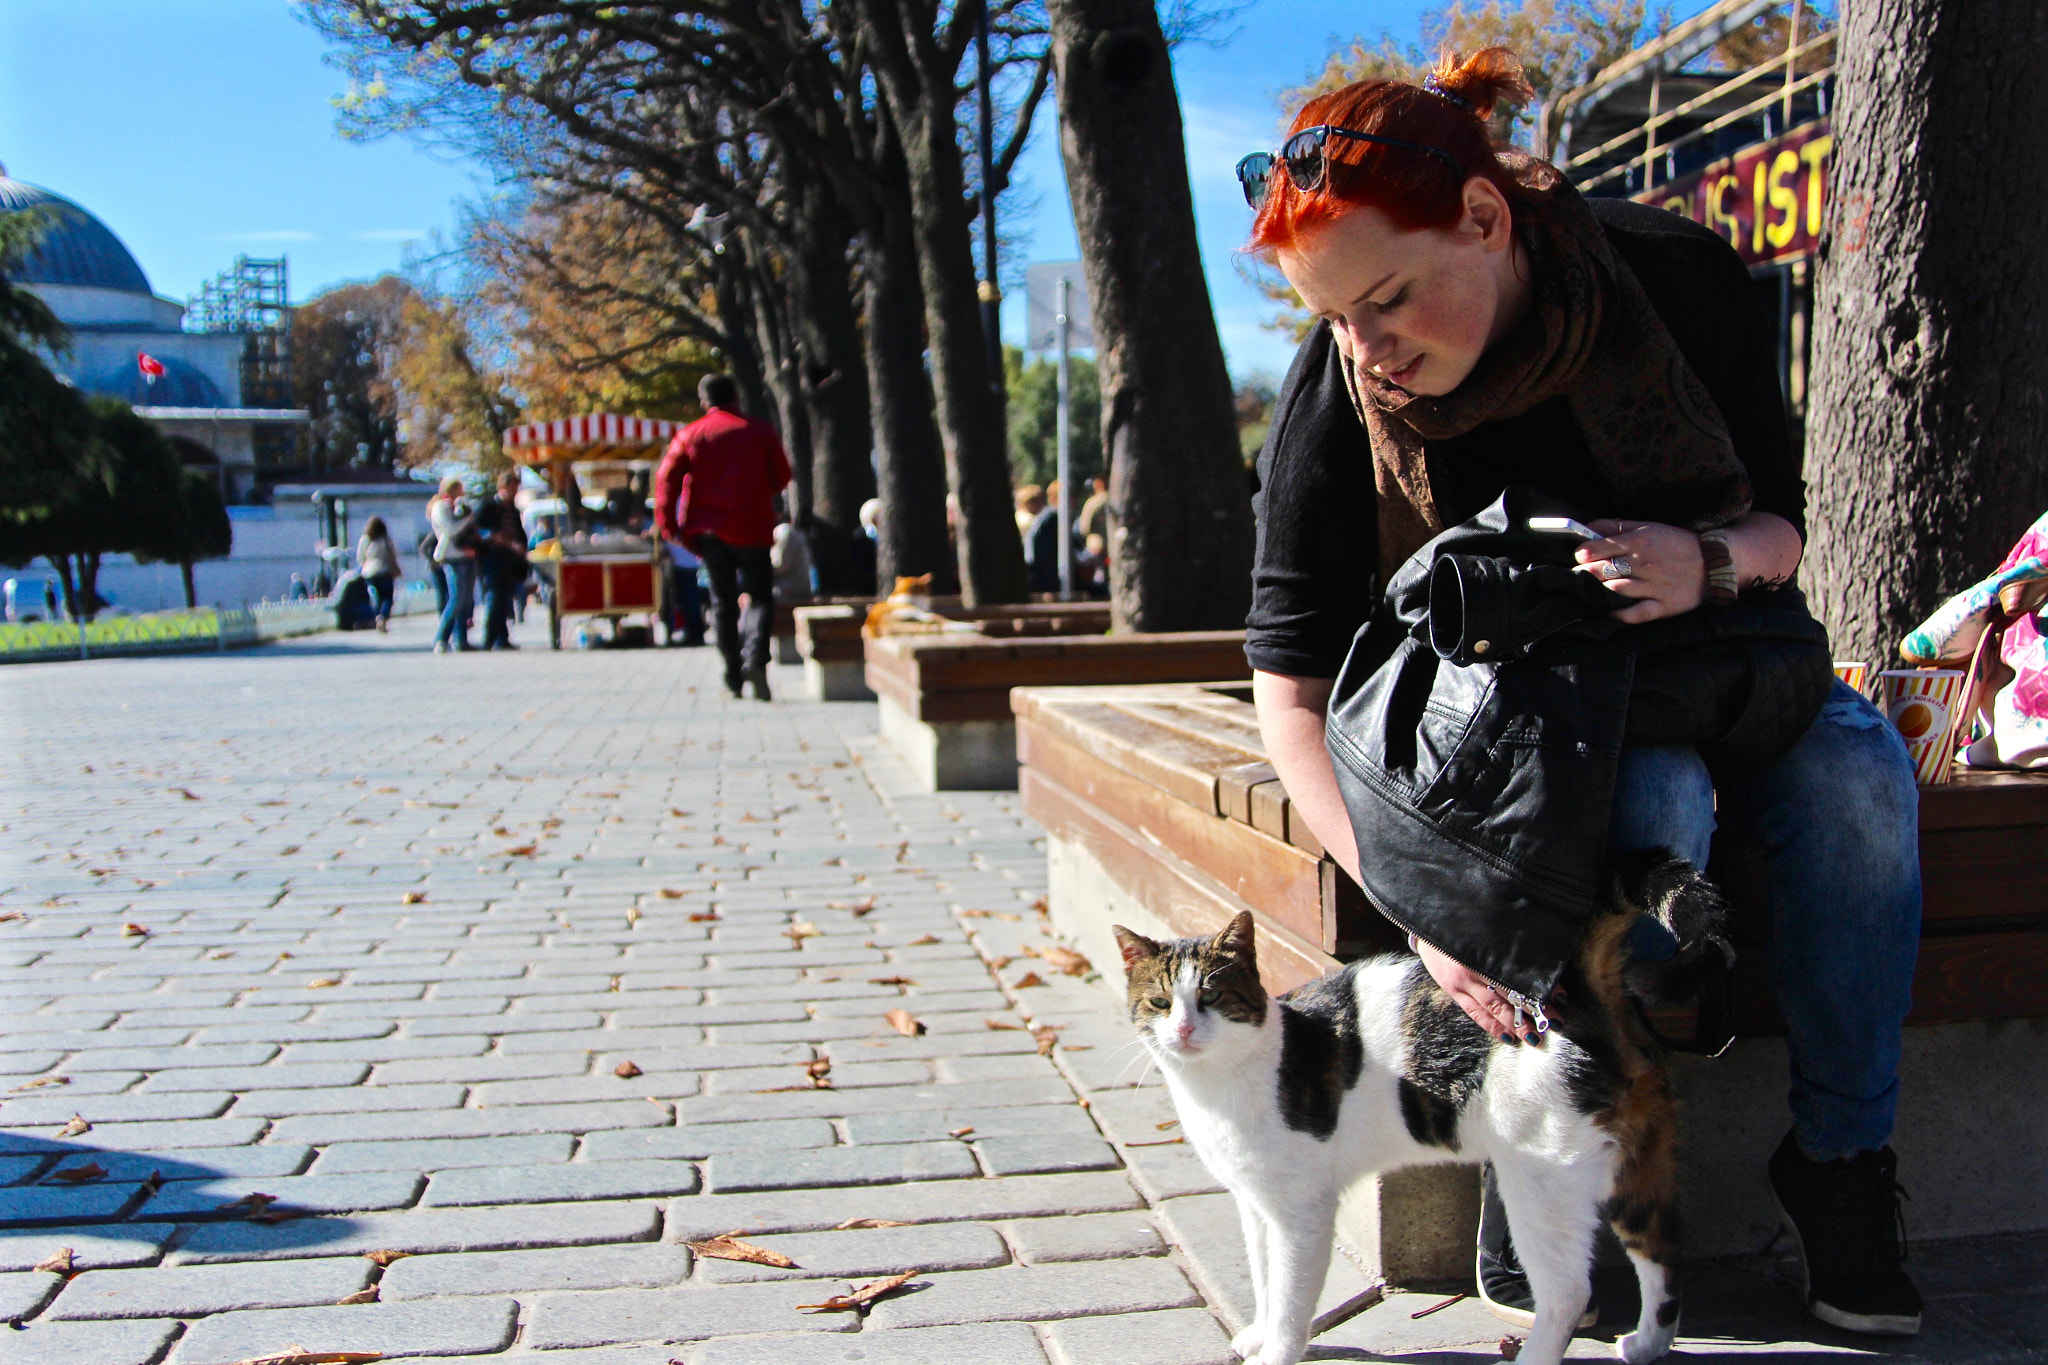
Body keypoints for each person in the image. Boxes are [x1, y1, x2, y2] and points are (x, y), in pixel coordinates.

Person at [1242, 50, 1922, 1339]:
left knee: (1858, 785)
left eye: (1385, 299)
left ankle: (1838, 1165)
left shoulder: (1669, 282)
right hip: (1508, 732)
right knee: (1647, 806)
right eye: (1331, 317)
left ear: (1486, 221)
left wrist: (1703, 561)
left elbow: (1783, 526)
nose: (1365, 352)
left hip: (1725, 666)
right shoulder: (1337, 399)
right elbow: (1287, 692)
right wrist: (1431, 918)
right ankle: (1544, 1154)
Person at [655, 373, 793, 699]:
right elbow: (783, 475)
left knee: (723, 602)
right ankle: (756, 658)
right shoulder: (760, 431)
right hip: (754, 526)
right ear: (737, 397)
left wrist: (668, 526)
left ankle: (732, 670)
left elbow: (666, 481)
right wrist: (760, 492)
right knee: (760, 597)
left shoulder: (690, 434)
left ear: (705, 402)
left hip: (710, 530)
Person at [473, 471, 529, 650]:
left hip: (509, 559)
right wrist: (497, 538)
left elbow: (519, 531)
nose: (515, 491)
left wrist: (521, 547)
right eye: (513, 487)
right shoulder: (488, 506)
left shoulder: (512, 508)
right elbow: (478, 530)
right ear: (504, 486)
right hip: (492, 558)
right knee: (495, 598)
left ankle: (502, 638)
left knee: (505, 598)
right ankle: (489, 638)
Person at [427, 476, 477, 653]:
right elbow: (451, 529)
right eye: (457, 489)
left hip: (466, 555)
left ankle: (461, 640)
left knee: (465, 600)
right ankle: (441, 638)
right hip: (450, 557)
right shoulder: (440, 508)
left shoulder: (460, 507)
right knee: (456, 598)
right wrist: (466, 518)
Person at [355, 515, 402, 633]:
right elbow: (392, 554)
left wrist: (365, 565)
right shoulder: (385, 538)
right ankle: (383, 617)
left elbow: (360, 557)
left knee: (377, 597)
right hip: (384, 570)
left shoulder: (365, 539)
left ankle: (377, 616)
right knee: (387, 598)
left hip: (369, 572)